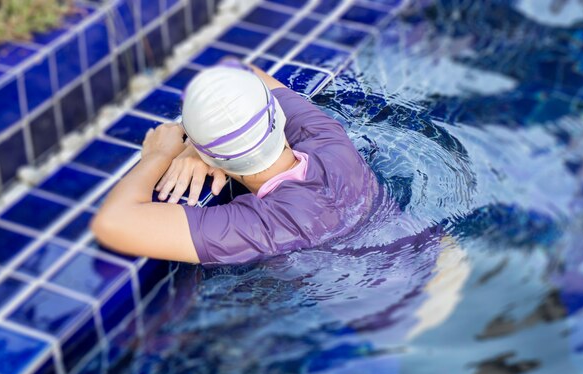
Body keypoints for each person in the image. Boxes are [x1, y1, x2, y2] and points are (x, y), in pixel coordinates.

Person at [91, 59, 379, 264]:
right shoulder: (328, 140)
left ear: (210, 159)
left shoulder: (260, 228)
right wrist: (200, 148)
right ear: (278, 114)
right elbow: (236, 68)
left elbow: (112, 223)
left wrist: (159, 155)